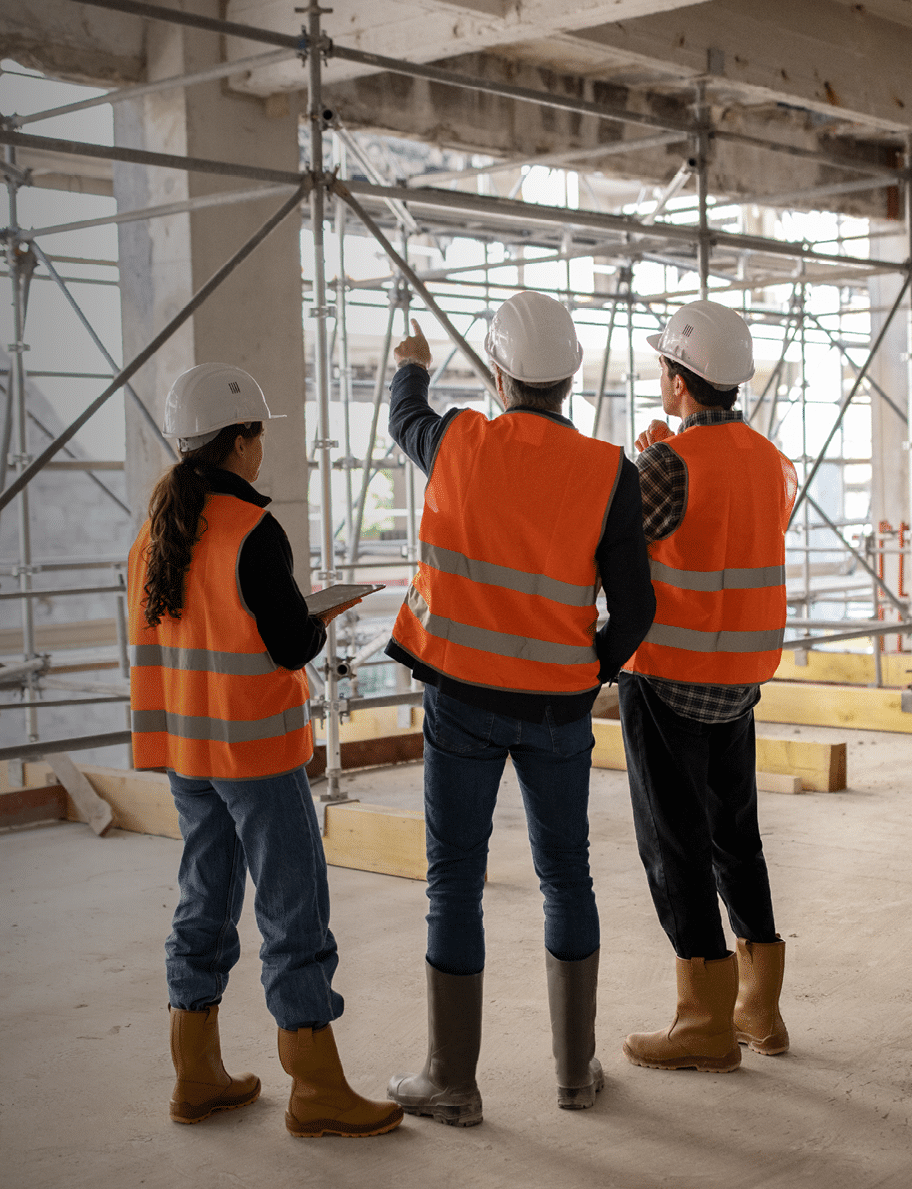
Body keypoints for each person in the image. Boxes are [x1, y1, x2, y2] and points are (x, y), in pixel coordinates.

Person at [383, 295, 656, 1125]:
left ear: (500, 376)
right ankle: (575, 1075)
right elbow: (637, 611)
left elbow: (404, 415)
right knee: (565, 877)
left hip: (461, 700)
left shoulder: (458, 440)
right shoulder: (611, 471)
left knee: (454, 883)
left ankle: (452, 1083)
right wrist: (587, 668)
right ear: (571, 379)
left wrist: (412, 358)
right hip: (557, 711)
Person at [127, 362, 403, 1139]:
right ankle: (316, 1086)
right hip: (254, 751)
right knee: (294, 914)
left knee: (202, 902)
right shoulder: (253, 530)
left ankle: (197, 1072)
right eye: (258, 434)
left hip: (188, 752)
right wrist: (321, 616)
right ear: (238, 441)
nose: (261, 448)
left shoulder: (155, 533)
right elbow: (289, 642)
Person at [617, 300, 796, 1074]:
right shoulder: (767, 457)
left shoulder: (666, 463)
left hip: (667, 679)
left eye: (663, 366)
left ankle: (703, 1021)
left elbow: (620, 538)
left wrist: (643, 460)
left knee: (675, 845)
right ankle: (761, 1008)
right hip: (738, 678)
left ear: (681, 381)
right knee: (736, 838)